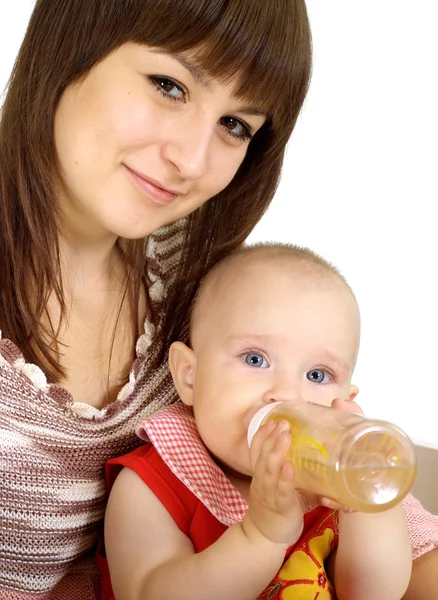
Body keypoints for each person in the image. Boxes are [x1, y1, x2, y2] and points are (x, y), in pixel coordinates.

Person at [0, 1, 313, 597]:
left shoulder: (192, 267)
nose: (191, 162)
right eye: (169, 85)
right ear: (71, 41)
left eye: (235, 125)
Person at [103, 243, 438, 600]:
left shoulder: (326, 483)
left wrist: (370, 511)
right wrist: (261, 536)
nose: (287, 394)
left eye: (317, 375)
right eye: (255, 359)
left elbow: (371, 594)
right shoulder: (154, 485)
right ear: (190, 375)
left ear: (345, 401)